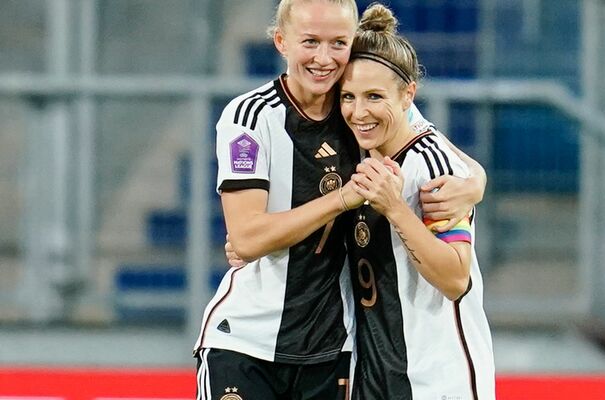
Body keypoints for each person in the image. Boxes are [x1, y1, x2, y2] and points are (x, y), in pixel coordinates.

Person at [195, 0, 486, 398]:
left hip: (336, 352)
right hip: (247, 341)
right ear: (281, 41)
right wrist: (345, 199)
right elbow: (246, 239)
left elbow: (437, 149)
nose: (323, 58)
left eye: (338, 43)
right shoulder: (250, 117)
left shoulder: (361, 106)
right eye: (310, 41)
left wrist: (475, 183)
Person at [341, 4, 495, 399]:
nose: (359, 112)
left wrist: (396, 209)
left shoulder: (435, 169)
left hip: (437, 381)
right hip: (374, 376)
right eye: (348, 97)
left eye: (374, 96)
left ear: (409, 94)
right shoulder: (359, 147)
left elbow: (455, 279)